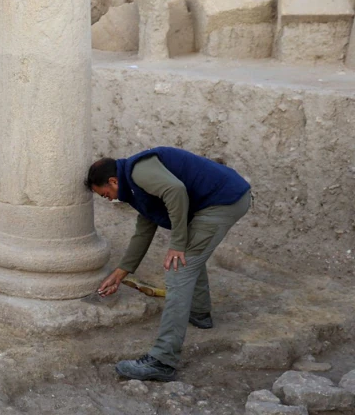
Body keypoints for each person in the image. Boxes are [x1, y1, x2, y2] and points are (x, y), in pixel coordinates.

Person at [86, 146, 251, 381]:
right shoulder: (137, 188)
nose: (109, 199)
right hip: (223, 198)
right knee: (189, 258)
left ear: (113, 181)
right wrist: (121, 272)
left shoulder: (138, 171)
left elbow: (176, 190)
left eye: (105, 194)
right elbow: (143, 230)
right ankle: (198, 313)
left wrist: (178, 242)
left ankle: (163, 360)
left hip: (222, 201)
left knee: (178, 266)